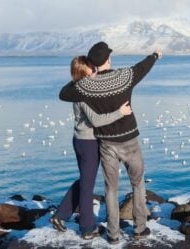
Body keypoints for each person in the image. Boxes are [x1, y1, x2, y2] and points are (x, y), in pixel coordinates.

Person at [59, 42, 162, 244]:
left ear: (93, 63)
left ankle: (113, 235)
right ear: (109, 59)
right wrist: (155, 55)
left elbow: (63, 94)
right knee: (138, 184)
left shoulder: (86, 86)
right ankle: (139, 228)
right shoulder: (125, 76)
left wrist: (82, 79)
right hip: (129, 140)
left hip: (106, 143)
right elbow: (143, 68)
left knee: (111, 189)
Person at [51, 55, 133, 240]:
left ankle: (60, 215)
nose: (96, 71)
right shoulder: (83, 93)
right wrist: (120, 112)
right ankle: (87, 229)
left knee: (84, 181)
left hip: (80, 140)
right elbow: (96, 120)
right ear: (83, 72)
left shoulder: (78, 89)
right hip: (88, 143)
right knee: (87, 186)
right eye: (92, 69)